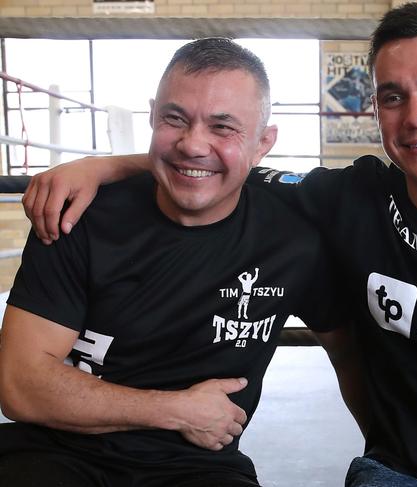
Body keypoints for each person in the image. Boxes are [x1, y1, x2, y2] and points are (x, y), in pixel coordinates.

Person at [17, 3, 417, 486]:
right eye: (393, 97)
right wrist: (102, 165)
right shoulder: (349, 199)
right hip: (400, 473)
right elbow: (212, 162)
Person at [0, 37, 349, 487]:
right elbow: (21, 385)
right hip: (53, 451)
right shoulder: (80, 214)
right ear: (152, 116)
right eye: (175, 118)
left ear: (264, 143)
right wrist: (177, 410)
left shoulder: (293, 236)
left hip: (196, 467)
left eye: (223, 127)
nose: (193, 144)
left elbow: (349, 348)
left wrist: (388, 453)